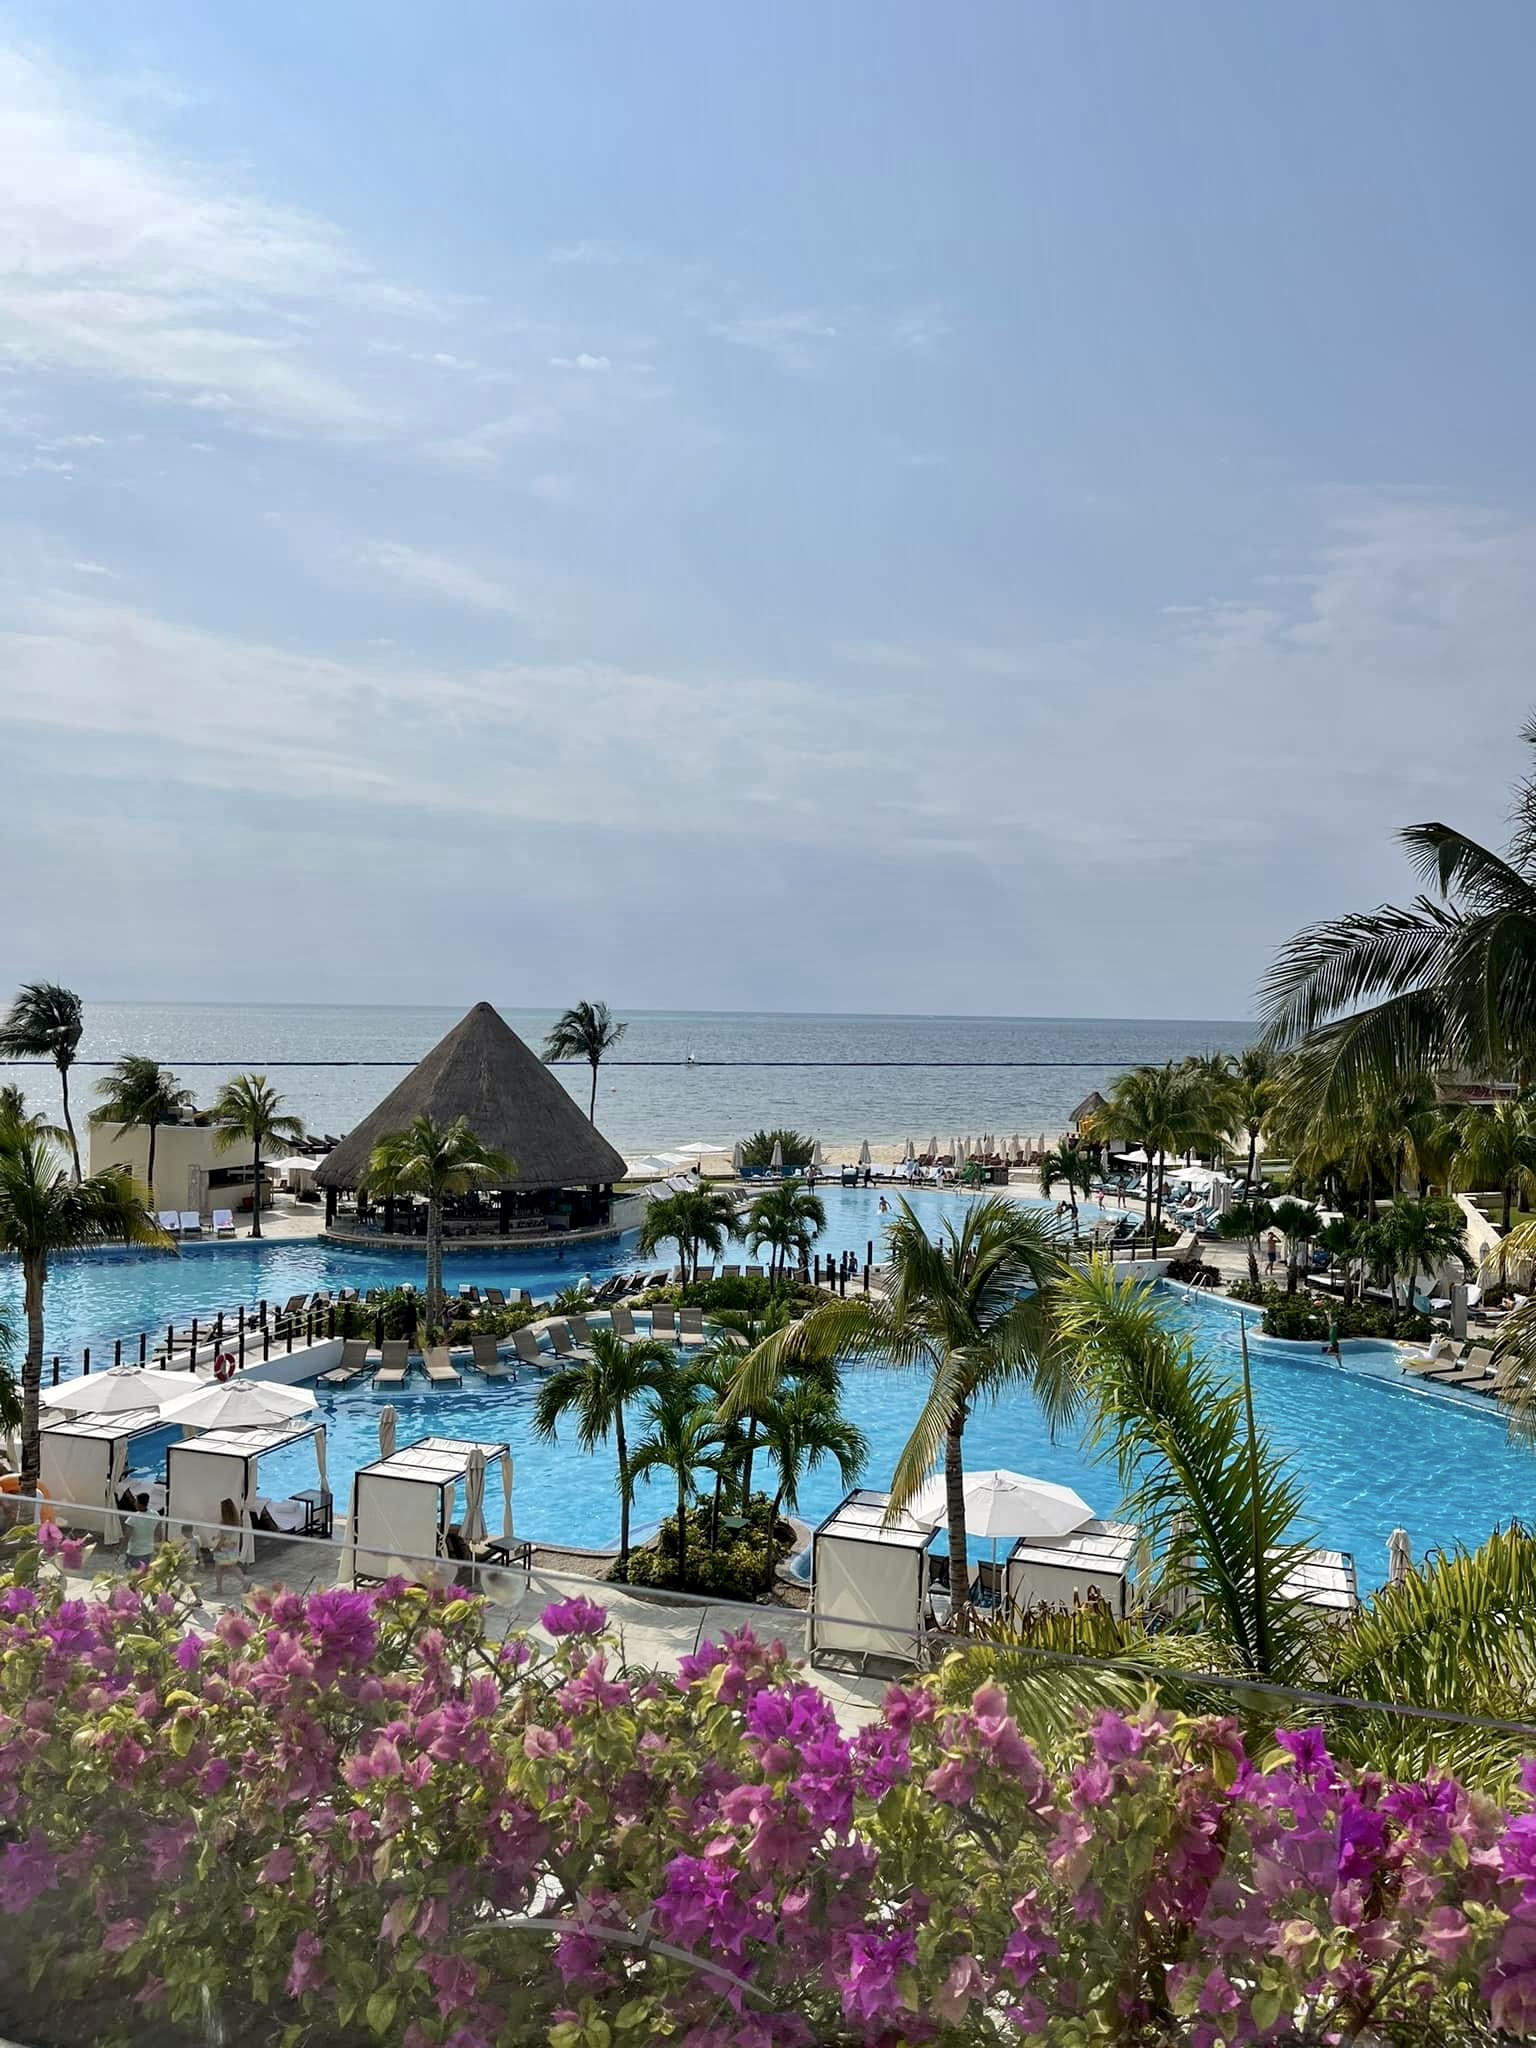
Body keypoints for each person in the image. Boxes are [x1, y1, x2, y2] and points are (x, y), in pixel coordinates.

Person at [209, 1497, 246, 1595]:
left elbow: (223, 1538)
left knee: (218, 1569)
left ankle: (219, 1588)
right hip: (231, 1548)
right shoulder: (235, 1520)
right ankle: (244, 1582)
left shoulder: (224, 1522)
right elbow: (226, 1534)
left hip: (223, 1548)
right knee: (232, 1567)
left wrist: (215, 1548)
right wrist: (216, 1536)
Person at [124, 1492, 158, 1567]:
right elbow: (158, 1531)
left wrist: (119, 1550)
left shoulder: (132, 1518)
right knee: (143, 1572)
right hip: (148, 1551)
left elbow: (126, 1537)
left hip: (135, 1552)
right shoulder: (155, 1514)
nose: (134, 1503)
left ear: (139, 1504)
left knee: (134, 1573)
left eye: (136, 1501)